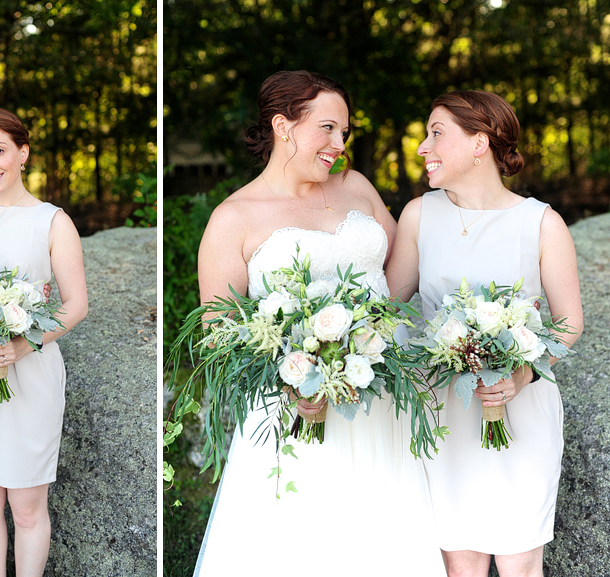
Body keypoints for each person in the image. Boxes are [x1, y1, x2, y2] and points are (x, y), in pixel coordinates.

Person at [191, 70, 445, 575]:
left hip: (380, 394)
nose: (339, 144)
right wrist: (292, 379)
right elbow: (218, 333)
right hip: (294, 405)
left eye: (344, 132)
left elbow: (401, 275)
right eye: (327, 128)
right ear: (283, 126)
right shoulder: (234, 218)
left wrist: (370, 341)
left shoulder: (355, 187)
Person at [386, 90, 583, 577]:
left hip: (520, 409)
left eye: (436, 134)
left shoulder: (541, 222)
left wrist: (521, 376)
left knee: (519, 563)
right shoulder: (418, 216)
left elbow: (569, 323)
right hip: (444, 411)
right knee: (462, 564)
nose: (422, 148)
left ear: (480, 142)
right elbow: (384, 308)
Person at [0, 108, 88, 577]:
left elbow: (76, 304)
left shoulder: (52, 221)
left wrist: (25, 345)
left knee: (26, 506)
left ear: (23, 153)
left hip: (28, 375)